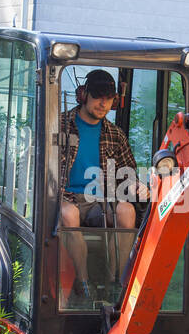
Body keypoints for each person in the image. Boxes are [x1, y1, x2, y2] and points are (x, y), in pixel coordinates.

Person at [59, 69, 147, 299]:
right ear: (83, 94)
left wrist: (138, 186)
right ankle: (83, 282)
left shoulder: (115, 135)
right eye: (98, 96)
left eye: (108, 98)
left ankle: (115, 283)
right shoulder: (59, 125)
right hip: (66, 196)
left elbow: (128, 174)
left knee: (126, 210)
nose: (103, 103)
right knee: (69, 215)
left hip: (101, 200)